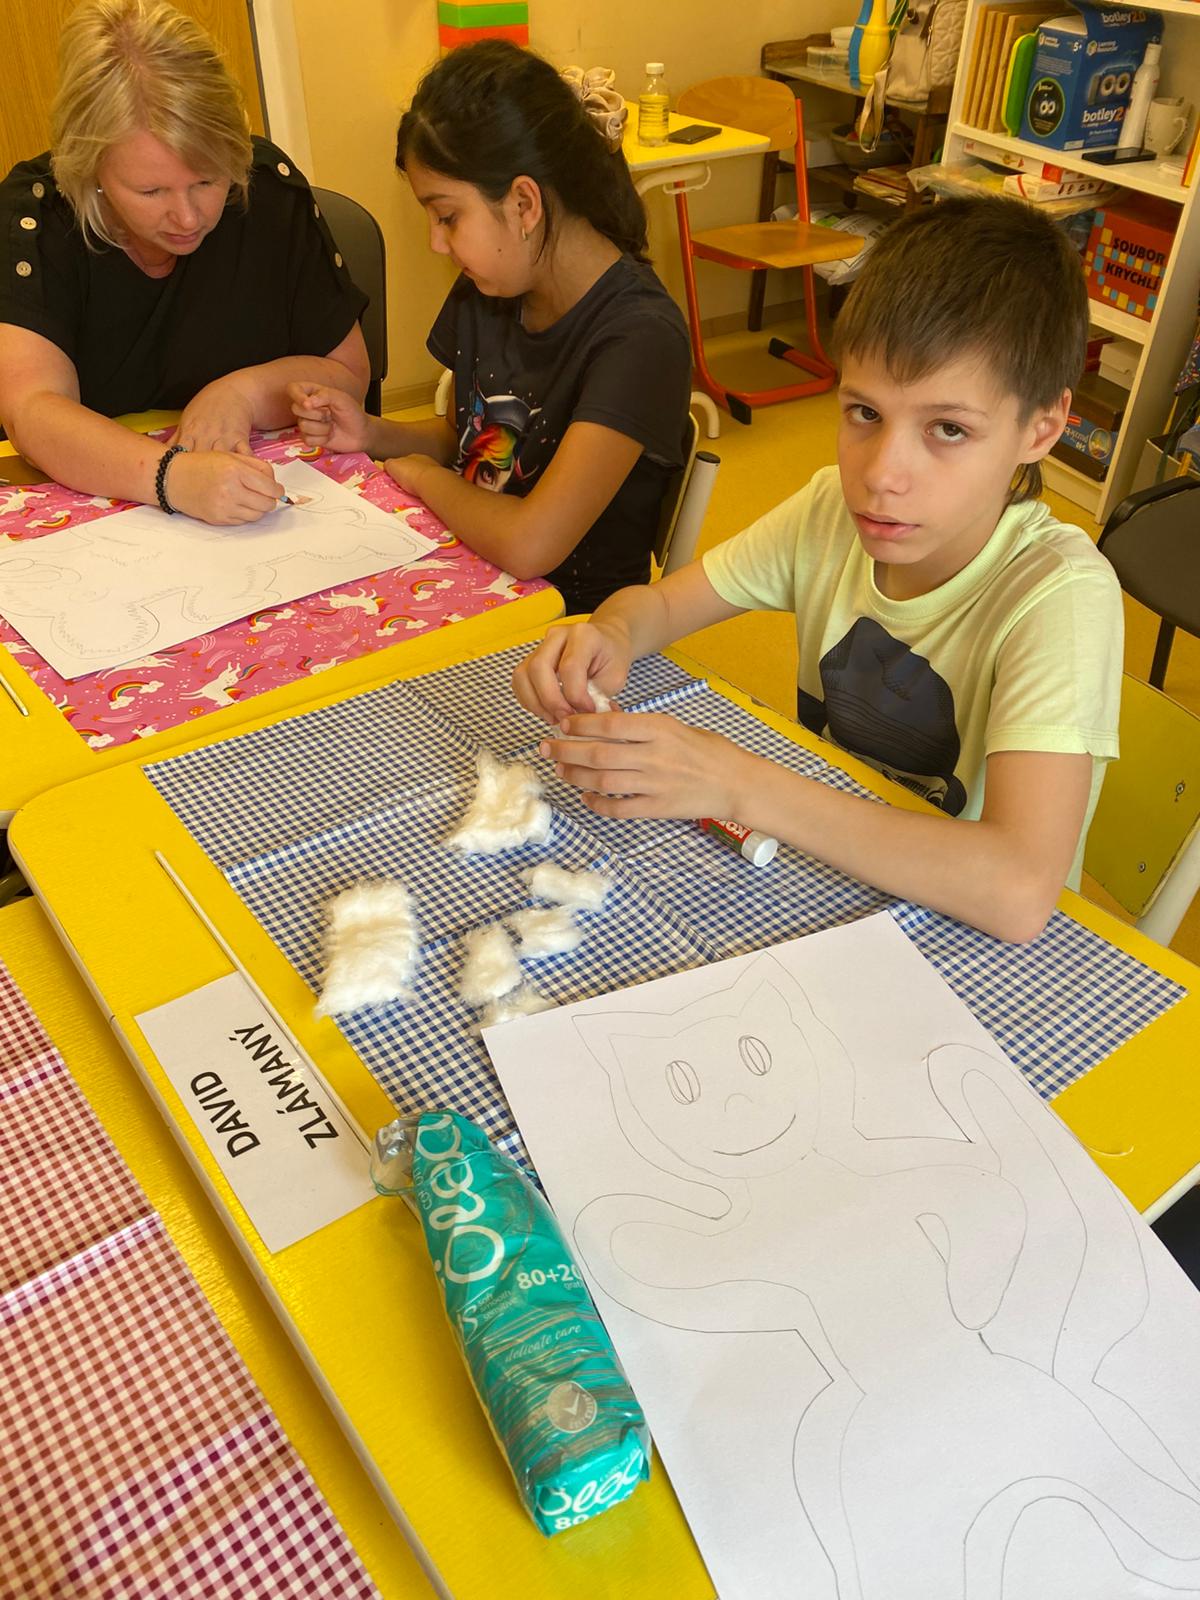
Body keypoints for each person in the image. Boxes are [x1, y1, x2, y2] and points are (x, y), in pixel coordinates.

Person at [514, 196, 1124, 945]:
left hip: (971, 935)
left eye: (948, 429)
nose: (882, 476)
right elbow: (664, 608)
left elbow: (1018, 891)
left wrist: (737, 783)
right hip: (837, 873)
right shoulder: (831, 511)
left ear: (1042, 429)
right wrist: (608, 630)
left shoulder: (1058, 595)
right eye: (864, 413)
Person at [290, 40, 691, 613]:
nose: (436, 242)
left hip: (570, 628)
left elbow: (531, 544)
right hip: (472, 574)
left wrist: (425, 479)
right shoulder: (491, 288)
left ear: (524, 204)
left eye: (447, 216)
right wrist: (373, 434)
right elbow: (469, 444)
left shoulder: (639, 339)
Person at [0, 0, 370, 525]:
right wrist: (171, 478)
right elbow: (33, 411)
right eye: (150, 191)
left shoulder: (265, 190)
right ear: (90, 168)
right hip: (103, 511)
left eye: (207, 180)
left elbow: (349, 373)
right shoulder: (37, 219)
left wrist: (242, 394)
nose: (188, 217)